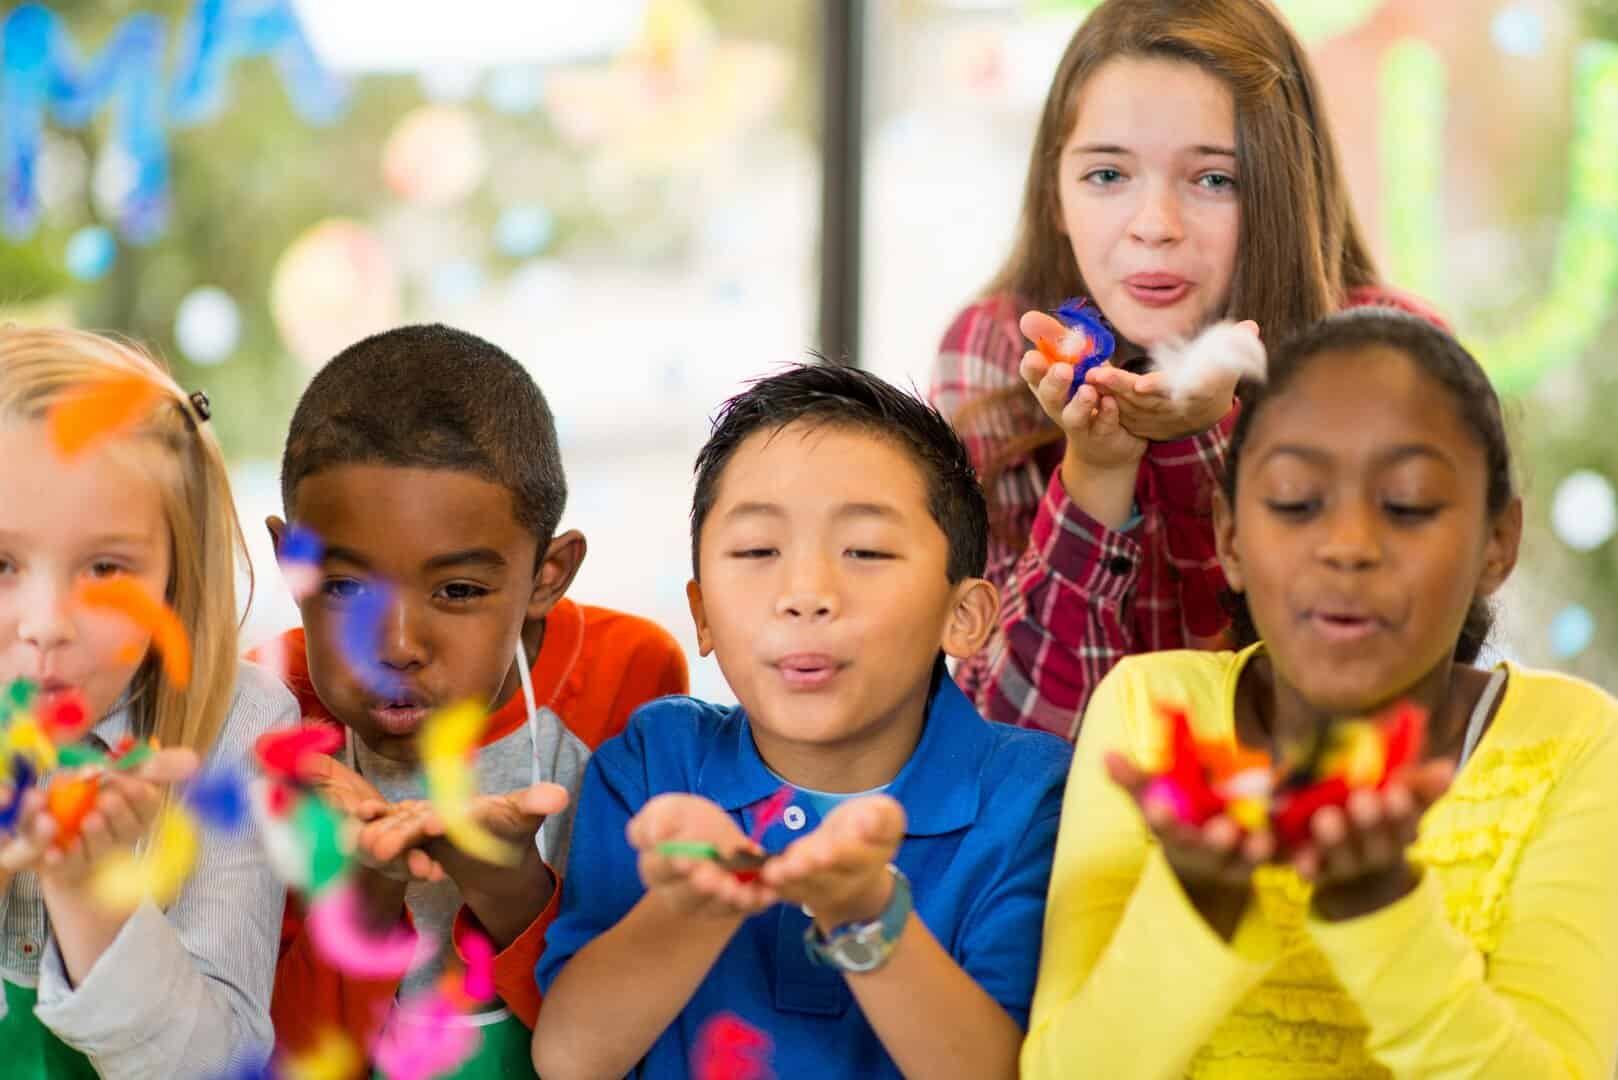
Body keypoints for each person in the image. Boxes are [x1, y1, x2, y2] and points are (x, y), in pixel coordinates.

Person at [1024, 309, 1618, 1078]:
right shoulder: (1151, 714)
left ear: (1496, 545)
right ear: (1231, 539)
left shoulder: (1573, 743)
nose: (1347, 547)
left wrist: (1381, 909)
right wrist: (1197, 902)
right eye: (1298, 502)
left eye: (1406, 505)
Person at [531, 365, 1070, 1079]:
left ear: (963, 616)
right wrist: (692, 909)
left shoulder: (1029, 795)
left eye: (867, 552)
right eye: (757, 552)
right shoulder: (656, 765)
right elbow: (572, 1061)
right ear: (701, 617)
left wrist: (865, 911)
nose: (805, 594)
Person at [932, 0, 1446, 738]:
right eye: (1108, 174)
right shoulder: (994, 350)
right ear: (1055, 194)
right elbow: (1006, 735)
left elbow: (1362, 698)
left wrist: (1202, 446)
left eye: (1213, 181)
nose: (1154, 225)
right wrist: (1096, 471)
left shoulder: (1389, 356)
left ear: (1282, 188)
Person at [259, 324, 688, 1076]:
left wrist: (506, 882)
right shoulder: (269, 712)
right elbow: (279, 1054)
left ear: (547, 576)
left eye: (457, 590)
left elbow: (636, 1034)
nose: (395, 645)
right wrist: (371, 882)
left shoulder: (629, 680)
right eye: (345, 587)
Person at [0, 326, 297, 1078]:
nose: (46, 624)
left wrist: (88, 887)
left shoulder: (241, 728)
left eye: (106, 568)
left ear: (178, 573)